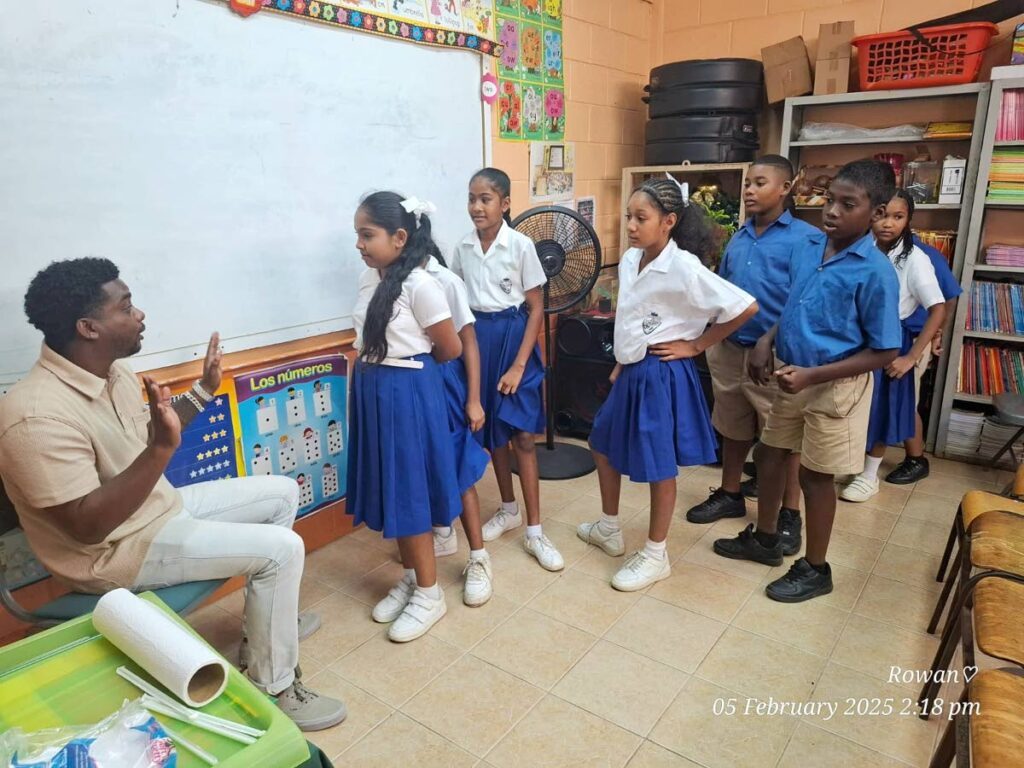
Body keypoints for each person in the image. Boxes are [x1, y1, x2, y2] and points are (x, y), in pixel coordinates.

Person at [0, 258, 345, 730]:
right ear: (89, 327)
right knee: (281, 551)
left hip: (158, 512)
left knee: (283, 492)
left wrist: (203, 391)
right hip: (113, 553)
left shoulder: (113, 373)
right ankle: (274, 686)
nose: (139, 314)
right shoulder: (35, 417)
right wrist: (161, 451)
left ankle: (262, 633)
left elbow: (150, 434)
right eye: (126, 307)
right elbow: (86, 527)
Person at [712, 160, 902, 602]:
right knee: (771, 452)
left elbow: (885, 351)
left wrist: (814, 374)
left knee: (816, 476)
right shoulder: (810, 247)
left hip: (835, 385)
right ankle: (765, 538)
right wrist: (767, 339)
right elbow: (793, 304)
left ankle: (816, 568)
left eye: (846, 204)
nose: (831, 211)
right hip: (790, 373)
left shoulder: (874, 272)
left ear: (875, 213)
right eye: (830, 199)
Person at [577, 178, 757, 590]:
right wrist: (622, 361)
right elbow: (632, 314)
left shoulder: (684, 268)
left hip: (660, 371)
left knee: (659, 465)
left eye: (642, 218)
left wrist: (697, 344)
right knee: (601, 443)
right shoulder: (629, 259)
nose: (631, 226)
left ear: (669, 222)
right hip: (632, 368)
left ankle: (657, 554)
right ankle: (609, 526)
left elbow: (744, 307)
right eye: (629, 217)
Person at [687, 155, 817, 561]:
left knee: (781, 438)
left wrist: (767, 340)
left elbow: (801, 299)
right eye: (747, 183)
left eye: (760, 183)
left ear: (785, 188)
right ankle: (729, 493)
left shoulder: (804, 240)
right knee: (732, 424)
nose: (749, 190)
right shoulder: (740, 236)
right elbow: (727, 292)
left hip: (773, 354)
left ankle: (789, 515)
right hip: (731, 349)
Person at [346, 191, 464, 642]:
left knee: (410, 490)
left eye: (367, 234)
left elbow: (449, 348)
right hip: (375, 389)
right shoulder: (369, 278)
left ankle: (431, 595)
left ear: (399, 237)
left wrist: (405, 378)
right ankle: (415, 578)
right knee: (392, 487)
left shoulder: (421, 285)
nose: (359, 243)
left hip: (407, 391)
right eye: (356, 234)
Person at [449, 168, 564, 572]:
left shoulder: (520, 246)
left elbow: (536, 308)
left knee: (523, 437)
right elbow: (459, 307)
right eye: (471, 198)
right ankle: (509, 508)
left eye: (486, 198)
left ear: (506, 203)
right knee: (493, 433)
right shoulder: (461, 248)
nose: (476, 206)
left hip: (515, 339)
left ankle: (535, 530)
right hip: (479, 341)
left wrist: (519, 364)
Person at [839, 191, 945, 502]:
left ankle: (870, 475)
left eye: (897, 217)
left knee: (882, 408)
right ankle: (853, 464)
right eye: (882, 215)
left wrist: (912, 357)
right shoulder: (861, 247)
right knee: (855, 404)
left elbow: (937, 308)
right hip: (857, 339)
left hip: (890, 341)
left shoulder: (915, 259)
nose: (888, 224)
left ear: (908, 220)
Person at [423, 248, 494, 607]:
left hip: (448, 384)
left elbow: (468, 343)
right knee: (429, 463)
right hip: (418, 385)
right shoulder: (390, 281)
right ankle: (442, 531)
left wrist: (474, 398)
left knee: (460, 469)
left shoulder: (445, 282)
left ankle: (479, 558)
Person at [883, 234, 962, 484]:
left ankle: (916, 458)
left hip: (912, 338)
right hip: (882, 339)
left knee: (906, 400)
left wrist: (937, 334)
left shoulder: (921, 253)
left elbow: (948, 298)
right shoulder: (871, 247)